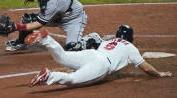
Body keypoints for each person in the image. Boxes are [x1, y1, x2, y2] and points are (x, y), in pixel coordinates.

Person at [27, 25, 172, 87]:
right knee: (74, 79)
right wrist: (159, 74)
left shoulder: (109, 41)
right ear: (130, 37)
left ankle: (46, 40)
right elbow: (146, 68)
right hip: (101, 64)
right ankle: (49, 76)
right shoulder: (131, 48)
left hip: (93, 54)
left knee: (63, 57)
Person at [5, 0, 87, 51]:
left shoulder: (52, 2)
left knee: (72, 48)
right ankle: (20, 42)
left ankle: (92, 39)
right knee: (28, 19)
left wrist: (16, 27)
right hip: (57, 15)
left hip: (73, 20)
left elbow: (38, 24)